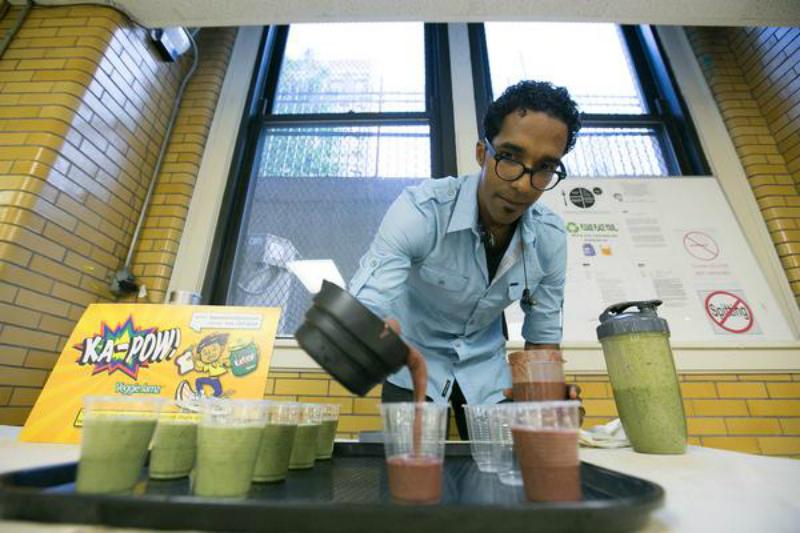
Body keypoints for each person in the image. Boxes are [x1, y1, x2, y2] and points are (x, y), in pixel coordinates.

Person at [349, 80, 582, 438]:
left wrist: (546, 400)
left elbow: (542, 338)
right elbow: (369, 303)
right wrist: (363, 336)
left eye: (544, 168)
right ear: (481, 153)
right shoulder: (423, 211)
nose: (523, 184)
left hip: (487, 373)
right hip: (413, 367)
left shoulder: (549, 238)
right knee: (410, 484)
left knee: (504, 479)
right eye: (509, 157)